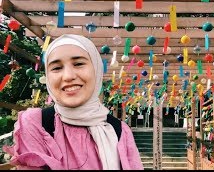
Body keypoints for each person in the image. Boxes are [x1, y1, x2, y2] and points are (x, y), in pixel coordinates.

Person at [3, 34, 144, 170]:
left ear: (96, 69)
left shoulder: (120, 129)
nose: (68, 76)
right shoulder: (36, 123)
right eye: (57, 68)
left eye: (78, 64)